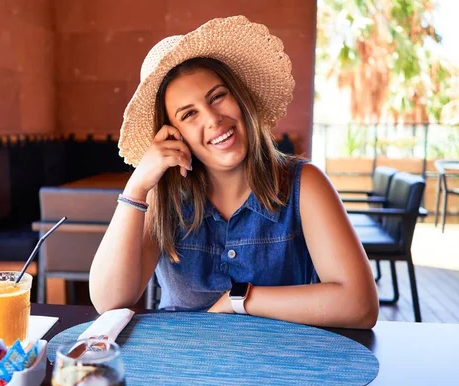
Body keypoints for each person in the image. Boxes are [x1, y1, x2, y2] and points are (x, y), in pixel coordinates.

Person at [89, 16, 378, 329]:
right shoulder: (162, 197)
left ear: (240, 99)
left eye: (217, 97)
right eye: (189, 114)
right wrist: (136, 188)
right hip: (184, 366)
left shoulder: (304, 184)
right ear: (174, 134)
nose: (213, 118)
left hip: (282, 364)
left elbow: (360, 306)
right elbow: (109, 302)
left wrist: (240, 300)